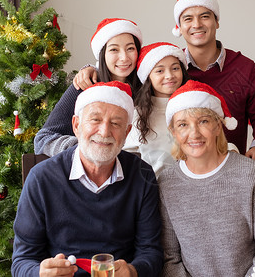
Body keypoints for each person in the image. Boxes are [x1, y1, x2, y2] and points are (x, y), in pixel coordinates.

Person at [75, 0, 255, 167]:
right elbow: (125, 66)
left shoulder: (245, 68)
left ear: (217, 21)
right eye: (188, 19)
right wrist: (92, 68)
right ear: (179, 28)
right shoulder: (168, 64)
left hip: (227, 166)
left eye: (205, 16)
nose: (197, 24)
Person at [12, 81, 163, 277]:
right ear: (76, 125)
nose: (104, 132)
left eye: (116, 123)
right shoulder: (41, 179)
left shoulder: (142, 175)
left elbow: (151, 252)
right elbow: (22, 261)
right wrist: (39, 273)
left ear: (126, 133)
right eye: (95, 120)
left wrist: (133, 271)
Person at [158, 80, 255, 276]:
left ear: (218, 125)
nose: (194, 133)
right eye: (183, 124)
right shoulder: (167, 182)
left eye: (203, 121)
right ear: (174, 132)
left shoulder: (249, 174)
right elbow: (170, 257)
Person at [34, 18, 143, 156]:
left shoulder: (148, 86)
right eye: (114, 49)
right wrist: (88, 149)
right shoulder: (85, 85)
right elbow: (43, 139)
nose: (124, 57)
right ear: (102, 54)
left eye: (130, 48)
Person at [123, 42, 189, 175]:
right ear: (148, 76)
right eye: (160, 71)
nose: (169, 75)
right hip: (151, 190)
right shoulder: (136, 115)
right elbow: (125, 161)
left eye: (175, 68)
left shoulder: (195, 107)